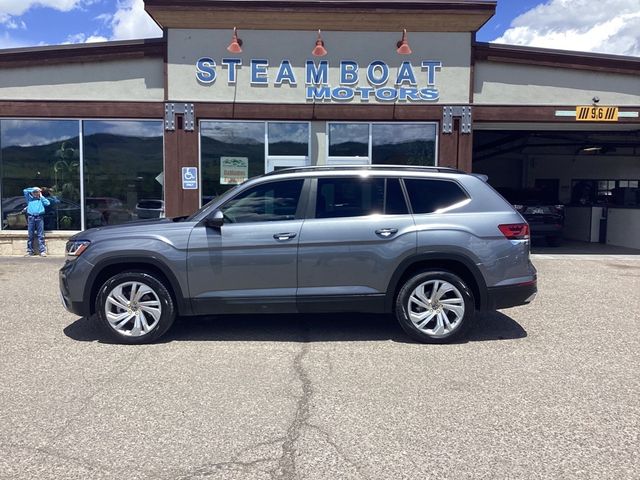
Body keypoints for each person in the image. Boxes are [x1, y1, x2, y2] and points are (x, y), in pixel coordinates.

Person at [23, 186, 50, 257]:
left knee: (40, 235)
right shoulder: (29, 199)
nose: (35, 193)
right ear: (32, 193)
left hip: (39, 217)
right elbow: (25, 190)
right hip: (31, 217)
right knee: (30, 235)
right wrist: (35, 189)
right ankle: (30, 251)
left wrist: (41, 195)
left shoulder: (41, 199)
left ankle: (42, 251)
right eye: (34, 192)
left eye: (36, 192)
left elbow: (48, 203)